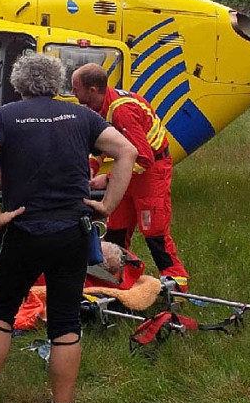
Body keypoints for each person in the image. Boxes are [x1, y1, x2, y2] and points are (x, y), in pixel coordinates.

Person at [0, 52, 137, 403]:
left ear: (18, 84)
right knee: (66, 320)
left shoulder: (4, 116)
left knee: (0, 310)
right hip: (72, 229)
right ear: (57, 83)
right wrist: (108, 206)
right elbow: (127, 151)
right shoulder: (83, 116)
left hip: (23, 228)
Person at [70, 63, 189, 289]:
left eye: (75, 88)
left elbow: (143, 157)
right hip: (130, 169)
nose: (72, 92)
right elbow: (107, 144)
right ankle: (117, 278)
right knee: (117, 228)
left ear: (92, 90)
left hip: (151, 171)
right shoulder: (101, 107)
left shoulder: (122, 110)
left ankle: (177, 281)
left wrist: (108, 179)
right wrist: (92, 167)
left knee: (154, 231)